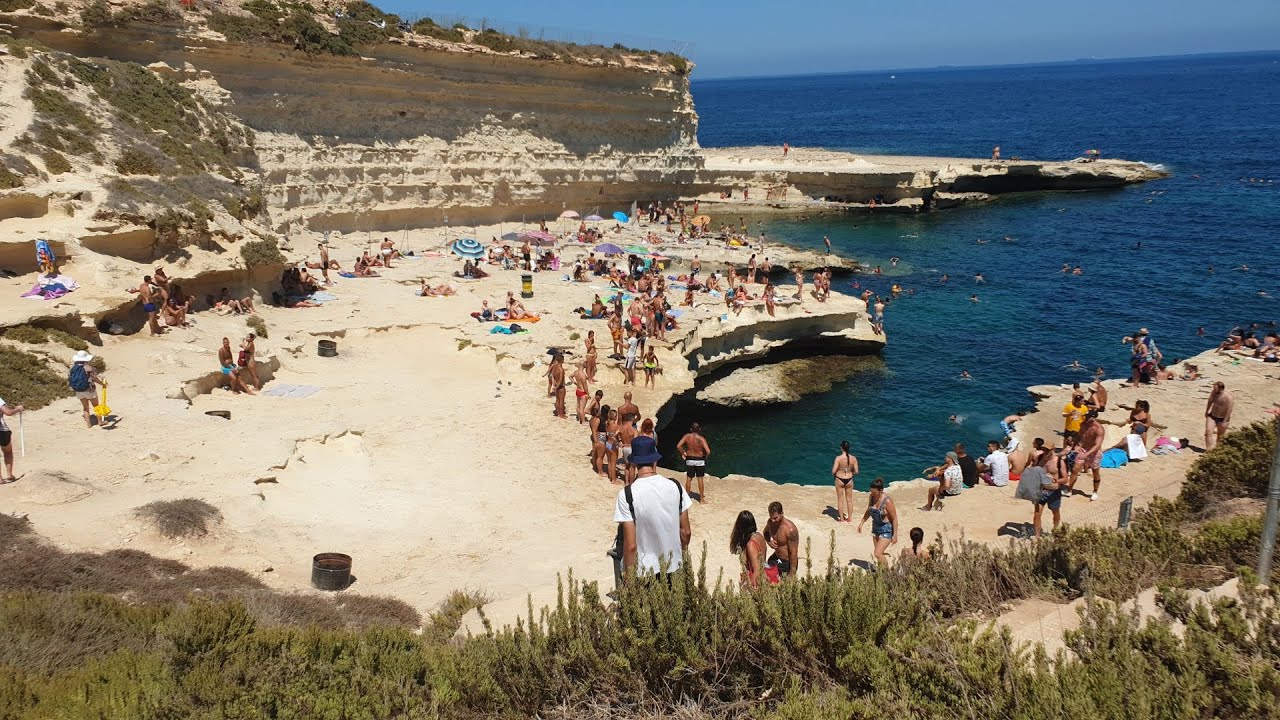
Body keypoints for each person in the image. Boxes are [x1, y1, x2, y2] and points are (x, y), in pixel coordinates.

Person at [614, 436, 692, 579]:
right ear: (655, 460)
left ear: (634, 462)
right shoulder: (676, 487)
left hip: (644, 573)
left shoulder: (626, 495)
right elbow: (685, 531)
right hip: (674, 566)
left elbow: (631, 546)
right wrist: (681, 556)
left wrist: (629, 581)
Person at [857, 478, 897, 568]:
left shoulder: (887, 501)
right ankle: (881, 572)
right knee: (879, 553)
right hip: (875, 528)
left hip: (886, 529)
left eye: (875, 492)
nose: (872, 494)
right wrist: (862, 522)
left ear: (881, 490)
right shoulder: (871, 497)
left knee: (877, 553)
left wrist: (895, 535)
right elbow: (869, 510)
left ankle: (887, 574)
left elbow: (894, 518)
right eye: (871, 491)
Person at [1069, 410, 1105, 500]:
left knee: (1095, 471)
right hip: (1083, 449)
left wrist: (1087, 454)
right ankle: (1069, 489)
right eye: (1086, 416)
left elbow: (1097, 445)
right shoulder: (1083, 424)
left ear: (1093, 418)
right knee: (1075, 469)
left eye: (1088, 417)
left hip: (1094, 452)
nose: (1086, 418)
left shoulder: (1099, 429)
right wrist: (1076, 445)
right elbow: (1080, 435)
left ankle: (1095, 491)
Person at [729, 510, 768, 588]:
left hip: (755, 581)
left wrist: (748, 587)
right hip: (765, 574)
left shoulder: (751, 545)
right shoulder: (759, 536)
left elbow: (757, 571)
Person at [68, 350, 106, 428]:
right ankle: (100, 421)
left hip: (78, 390)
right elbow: (94, 378)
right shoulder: (87, 367)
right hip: (89, 390)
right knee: (96, 406)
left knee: (85, 407)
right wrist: (103, 384)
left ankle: (89, 424)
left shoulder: (73, 368)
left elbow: (70, 378)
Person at [676, 422, 711, 503]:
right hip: (699, 460)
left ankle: (687, 498)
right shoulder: (701, 439)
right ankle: (701, 499)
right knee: (700, 479)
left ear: (691, 429)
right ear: (699, 429)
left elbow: (678, 446)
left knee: (689, 478)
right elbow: (708, 451)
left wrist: (683, 453)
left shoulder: (687, 436)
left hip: (690, 459)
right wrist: (705, 457)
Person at [763, 501, 799, 579]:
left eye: (775, 518)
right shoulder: (770, 522)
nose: (773, 520)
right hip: (776, 558)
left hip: (787, 563)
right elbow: (765, 532)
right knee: (767, 577)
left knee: (783, 588)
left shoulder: (790, 530)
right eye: (771, 517)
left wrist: (792, 574)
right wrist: (769, 542)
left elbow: (794, 553)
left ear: (782, 513)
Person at [831, 440, 859, 523]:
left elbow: (833, 471)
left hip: (839, 479)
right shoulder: (853, 458)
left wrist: (838, 473)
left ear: (841, 448)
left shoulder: (838, 458)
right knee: (849, 500)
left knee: (840, 500)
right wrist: (850, 472)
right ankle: (849, 519)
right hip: (849, 479)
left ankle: (842, 519)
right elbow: (856, 471)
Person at [0, 395, 25, 483]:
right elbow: (8, 412)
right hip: (2, 430)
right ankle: (9, 475)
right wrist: (18, 409)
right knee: (7, 451)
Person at [1204, 381, 1233, 450]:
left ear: (1220, 389)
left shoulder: (1228, 397)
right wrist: (1206, 411)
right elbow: (1210, 401)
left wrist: (1224, 421)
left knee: (1220, 436)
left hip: (1222, 418)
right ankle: (1208, 450)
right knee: (1208, 432)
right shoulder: (1213, 393)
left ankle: (1217, 451)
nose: (1214, 390)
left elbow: (1229, 410)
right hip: (1213, 416)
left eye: (1215, 388)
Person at [548, 352, 567, 419]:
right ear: (562, 360)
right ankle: (561, 414)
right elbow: (561, 379)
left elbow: (552, 376)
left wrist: (554, 385)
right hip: (561, 386)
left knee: (557, 400)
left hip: (556, 385)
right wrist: (557, 387)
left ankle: (558, 412)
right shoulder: (561, 369)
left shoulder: (555, 367)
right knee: (561, 400)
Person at [572, 359, 590, 424]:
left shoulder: (576, 372)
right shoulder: (583, 375)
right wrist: (588, 394)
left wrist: (574, 383)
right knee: (582, 408)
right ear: (583, 365)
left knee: (578, 406)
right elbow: (585, 386)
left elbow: (570, 377)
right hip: (582, 392)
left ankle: (580, 418)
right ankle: (583, 421)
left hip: (578, 390)